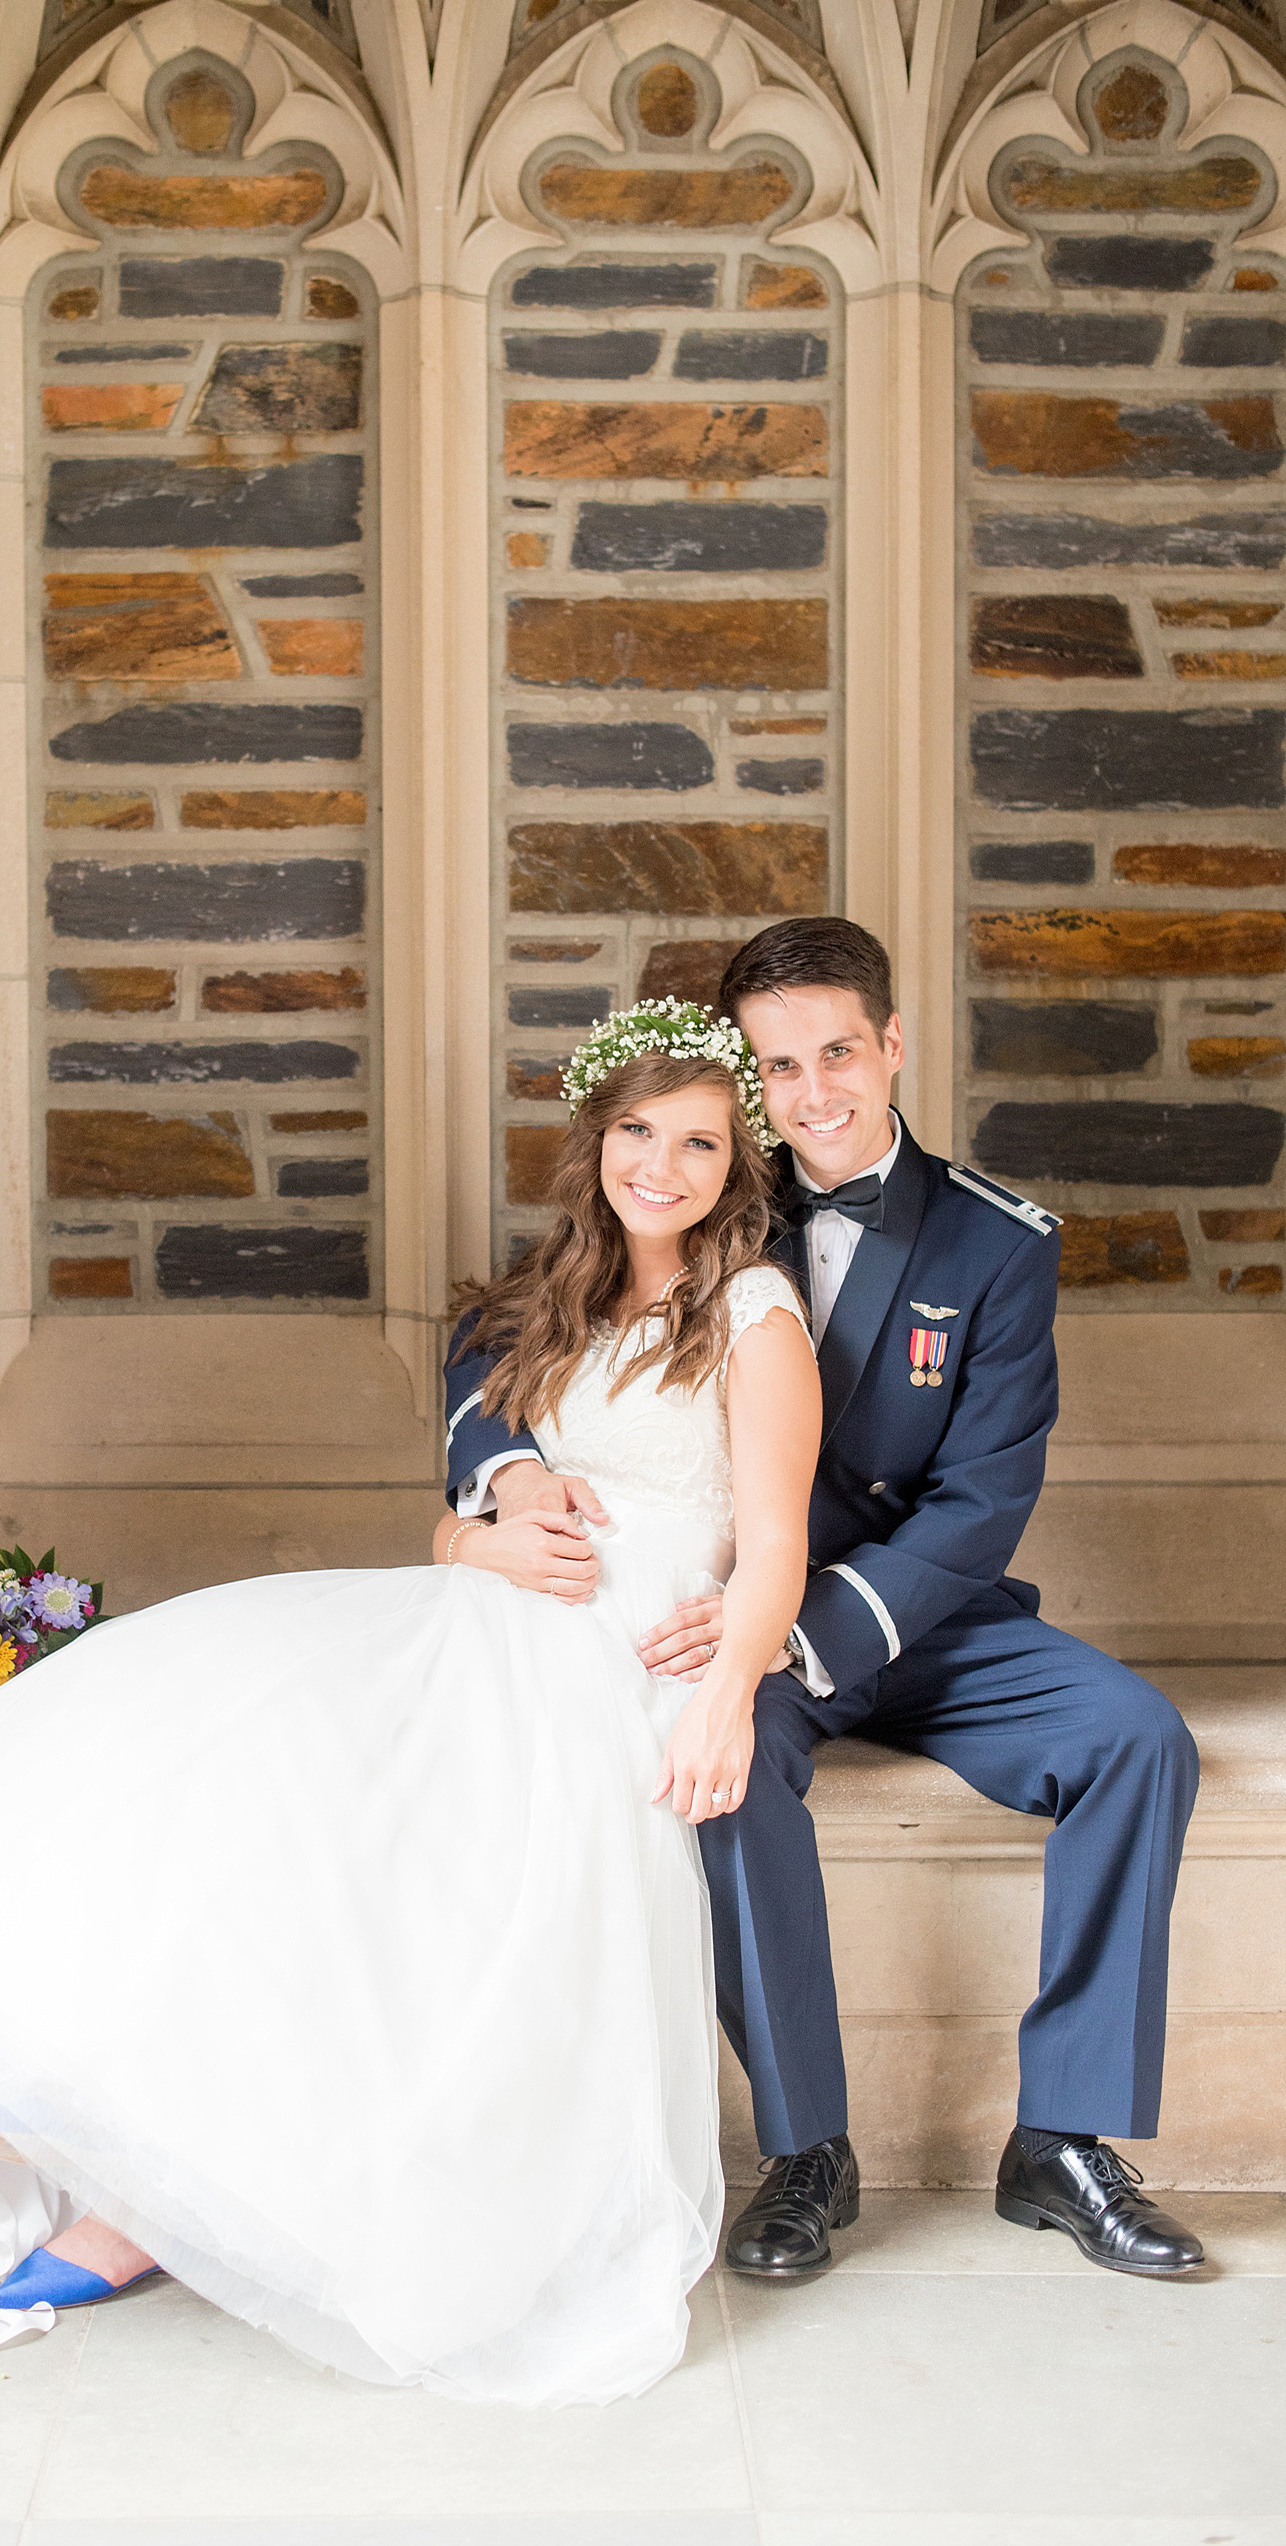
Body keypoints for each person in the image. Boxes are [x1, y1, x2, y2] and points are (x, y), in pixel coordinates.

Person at [0, 1006, 822, 2421]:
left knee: (394, 1837)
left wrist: (724, 1697)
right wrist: (478, 1535)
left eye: (700, 1140)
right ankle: (125, 2141)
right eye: (640, 1132)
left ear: (738, 1164)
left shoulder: (757, 1314)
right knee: (216, 1721)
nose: (665, 1164)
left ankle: (145, 2182)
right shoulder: (555, 1306)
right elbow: (467, 1508)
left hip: (631, 1660)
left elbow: (773, 1538)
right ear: (596, 1142)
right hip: (495, 1616)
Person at [447, 918, 1204, 2286]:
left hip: (923, 1617)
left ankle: (1065, 2137)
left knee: (1138, 1738)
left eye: (836, 1052)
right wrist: (498, 1470)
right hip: (728, 1615)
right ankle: (809, 2151)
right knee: (719, 1775)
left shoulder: (995, 1245)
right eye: (777, 1066)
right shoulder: (710, 1189)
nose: (811, 1092)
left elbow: (978, 1504)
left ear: (892, 1044)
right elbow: (510, 1320)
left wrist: (796, 1628)